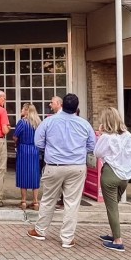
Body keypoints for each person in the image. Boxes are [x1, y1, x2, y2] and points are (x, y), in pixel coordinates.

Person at [27, 93, 95, 249]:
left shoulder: (49, 122)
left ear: (62, 105)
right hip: (76, 166)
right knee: (72, 203)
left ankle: (40, 230)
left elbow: (38, 142)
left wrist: (51, 149)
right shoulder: (84, 124)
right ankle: (67, 238)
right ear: (77, 108)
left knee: (49, 199)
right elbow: (92, 145)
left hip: (54, 165)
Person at [94, 107, 131, 252]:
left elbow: (97, 152)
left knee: (111, 208)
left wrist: (101, 135)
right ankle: (113, 234)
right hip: (125, 175)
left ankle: (118, 240)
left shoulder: (107, 137)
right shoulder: (127, 135)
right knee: (115, 206)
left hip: (110, 173)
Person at [14, 103, 42, 210]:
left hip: (23, 150)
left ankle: (24, 201)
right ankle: (35, 202)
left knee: (23, 174)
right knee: (34, 175)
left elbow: (15, 136)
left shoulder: (22, 122)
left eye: (22, 109)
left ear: (26, 111)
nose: (21, 110)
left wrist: (16, 143)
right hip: (34, 150)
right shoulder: (38, 123)